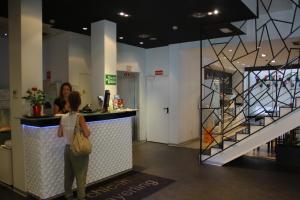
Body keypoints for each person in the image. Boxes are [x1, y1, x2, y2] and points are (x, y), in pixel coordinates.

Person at [57, 91, 90, 200]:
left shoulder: (63, 117)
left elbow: (59, 134)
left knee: (68, 174)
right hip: (77, 149)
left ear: (69, 103)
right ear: (79, 103)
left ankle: (68, 195)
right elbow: (87, 134)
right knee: (80, 175)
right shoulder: (80, 117)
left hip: (67, 149)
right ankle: (81, 197)